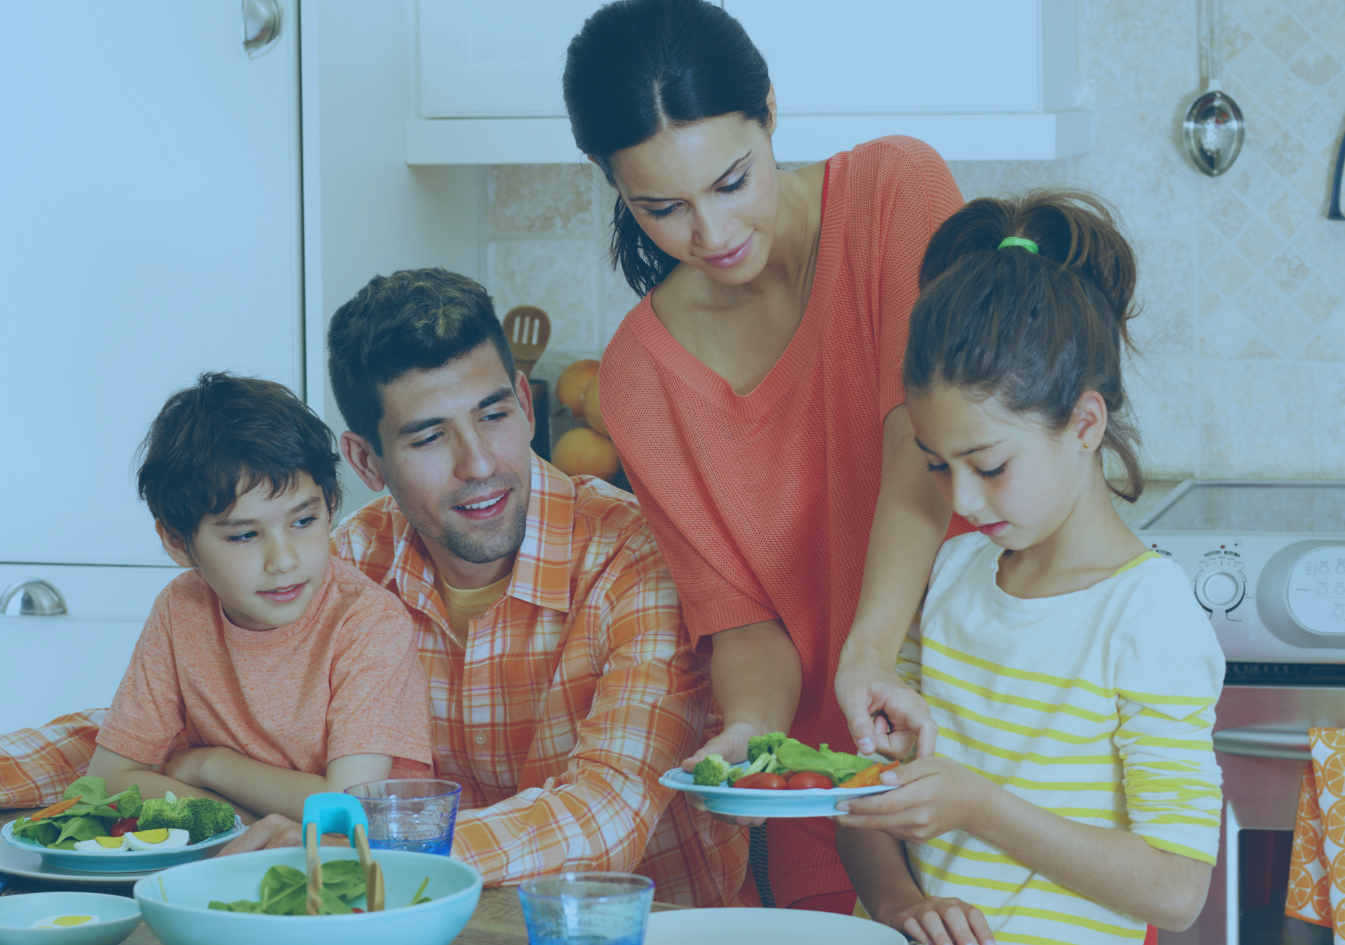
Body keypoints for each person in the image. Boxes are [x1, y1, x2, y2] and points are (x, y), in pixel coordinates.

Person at [561, 0, 967, 910]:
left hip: (1005, 730)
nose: (711, 234)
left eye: (732, 180)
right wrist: (751, 729)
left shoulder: (896, 192)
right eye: (661, 207)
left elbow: (924, 446)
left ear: (771, 112)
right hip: (834, 789)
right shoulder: (639, 376)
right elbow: (743, 619)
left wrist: (868, 653)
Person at [218, 268, 745, 905]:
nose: (480, 465)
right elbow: (197, 700)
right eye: (430, 436)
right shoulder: (350, 562)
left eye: (492, 415)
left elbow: (603, 816)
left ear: (525, 406)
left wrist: (353, 849)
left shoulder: (637, 558)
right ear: (365, 462)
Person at [835, 192, 1224, 945]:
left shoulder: (1147, 615)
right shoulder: (949, 576)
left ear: (1084, 423)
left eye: (989, 464)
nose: (964, 499)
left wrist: (977, 805)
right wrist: (896, 904)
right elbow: (867, 799)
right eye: (937, 466)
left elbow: (1176, 889)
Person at [87, 373, 433, 825]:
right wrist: (240, 821)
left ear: (330, 504)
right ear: (176, 541)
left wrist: (208, 766)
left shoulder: (368, 622)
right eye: (245, 535)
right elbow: (111, 779)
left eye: (304, 521)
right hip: (239, 857)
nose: (284, 560)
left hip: (359, 871)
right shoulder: (180, 608)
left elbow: (346, 811)